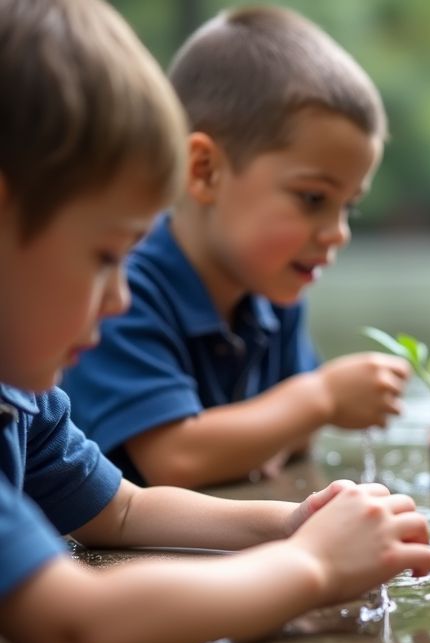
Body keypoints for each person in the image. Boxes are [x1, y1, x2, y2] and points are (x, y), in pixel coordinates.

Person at [0, 0, 430, 643]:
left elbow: (123, 510)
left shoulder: (24, 399)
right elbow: (73, 622)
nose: (119, 298)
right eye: (104, 257)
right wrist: (312, 568)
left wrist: (291, 522)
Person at [60, 5, 410, 488]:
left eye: (349, 206)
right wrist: (321, 398)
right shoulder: (123, 288)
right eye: (313, 199)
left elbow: (294, 437)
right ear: (205, 171)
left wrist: (276, 429)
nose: (337, 232)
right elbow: (173, 457)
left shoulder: (273, 290)